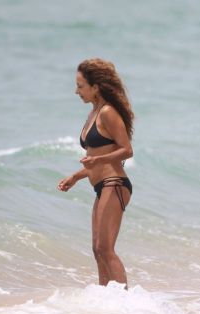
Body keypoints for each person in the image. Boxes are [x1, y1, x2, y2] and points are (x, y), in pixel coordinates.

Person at [57, 58, 134, 289]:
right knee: (97, 249)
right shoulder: (93, 113)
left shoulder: (108, 112)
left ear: (95, 87)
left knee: (105, 248)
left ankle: (126, 301)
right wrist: (76, 176)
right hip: (102, 186)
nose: (76, 91)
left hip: (115, 183)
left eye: (80, 86)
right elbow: (95, 158)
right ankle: (106, 301)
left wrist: (99, 159)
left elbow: (126, 150)